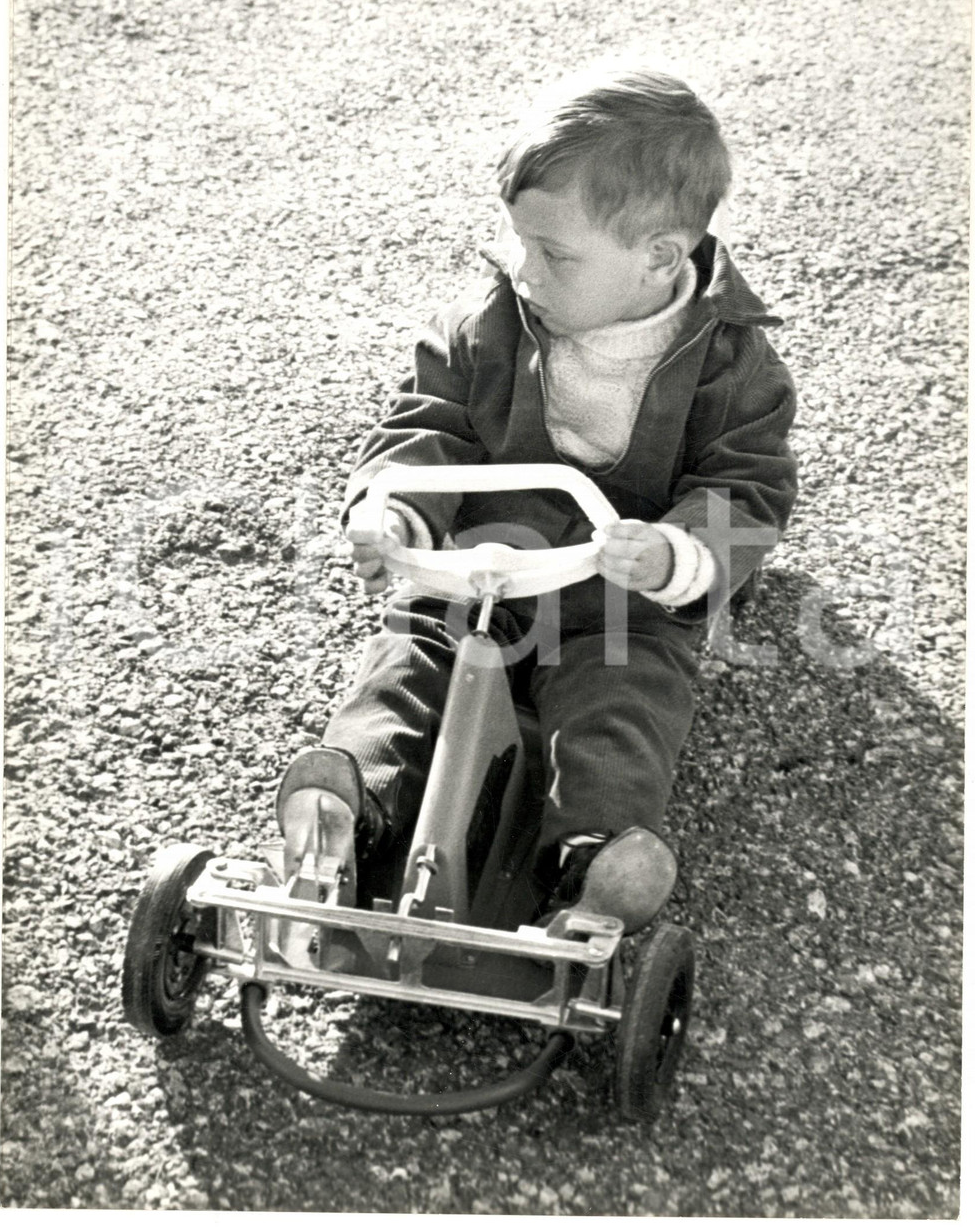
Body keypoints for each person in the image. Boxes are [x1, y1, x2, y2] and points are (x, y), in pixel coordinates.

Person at [276, 63, 797, 932]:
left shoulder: (732, 368)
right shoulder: (495, 322)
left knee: (618, 703)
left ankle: (591, 862)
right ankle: (349, 809)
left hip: (614, 590)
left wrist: (676, 552)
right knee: (408, 666)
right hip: (483, 567)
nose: (525, 271)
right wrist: (396, 511)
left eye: (553, 254)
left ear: (659, 257)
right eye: (520, 242)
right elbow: (431, 419)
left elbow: (746, 484)